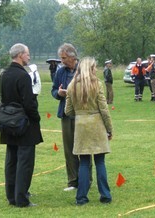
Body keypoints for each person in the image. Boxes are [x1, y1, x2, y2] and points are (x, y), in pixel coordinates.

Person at [65, 57, 113, 205]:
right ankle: (105, 195)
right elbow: (104, 109)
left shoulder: (72, 86)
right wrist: (109, 128)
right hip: (97, 124)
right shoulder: (97, 84)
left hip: (81, 126)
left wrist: (80, 115)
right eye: (95, 67)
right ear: (90, 69)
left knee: (84, 163)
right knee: (100, 162)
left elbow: (68, 111)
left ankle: (81, 197)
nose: (96, 70)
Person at [0, 43, 43, 207]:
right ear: (20, 55)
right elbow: (29, 103)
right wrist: (36, 118)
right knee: (25, 162)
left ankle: (11, 196)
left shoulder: (4, 74)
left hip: (8, 122)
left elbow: (4, 99)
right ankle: (22, 199)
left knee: (11, 160)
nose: (29, 57)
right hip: (23, 124)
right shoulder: (22, 76)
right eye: (27, 54)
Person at [51, 43, 80, 191]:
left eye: (64, 58)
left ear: (72, 56)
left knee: (83, 148)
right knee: (69, 149)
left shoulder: (83, 70)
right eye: (61, 58)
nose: (61, 61)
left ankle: (86, 179)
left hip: (82, 114)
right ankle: (73, 181)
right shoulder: (60, 72)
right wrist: (59, 93)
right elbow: (54, 90)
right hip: (66, 114)